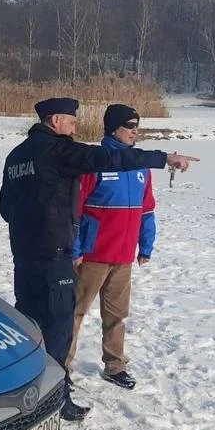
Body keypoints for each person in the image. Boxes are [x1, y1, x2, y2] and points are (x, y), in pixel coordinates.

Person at [0, 97, 198, 422]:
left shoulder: (16, 156)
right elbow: (108, 159)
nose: (75, 129)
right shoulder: (59, 150)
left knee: (31, 324)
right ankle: (55, 398)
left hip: (26, 258)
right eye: (72, 123)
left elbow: (6, 209)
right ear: (55, 121)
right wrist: (165, 158)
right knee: (61, 328)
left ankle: (30, 388)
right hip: (57, 257)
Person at [67, 103, 159, 389]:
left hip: (123, 257)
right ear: (113, 128)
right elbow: (77, 209)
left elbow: (146, 209)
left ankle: (115, 365)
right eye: (129, 126)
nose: (135, 132)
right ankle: (60, 366)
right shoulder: (97, 162)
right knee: (75, 312)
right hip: (92, 256)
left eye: (137, 126)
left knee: (117, 314)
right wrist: (77, 248)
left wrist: (145, 245)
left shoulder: (140, 164)